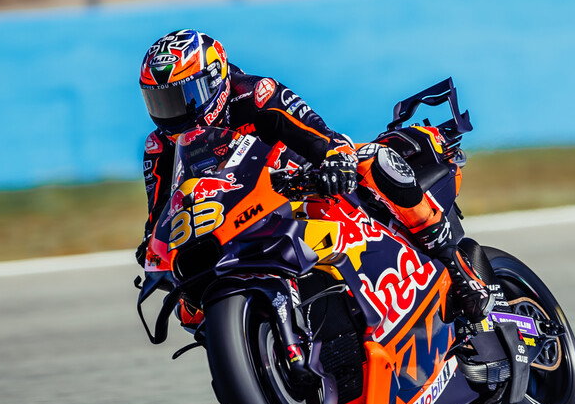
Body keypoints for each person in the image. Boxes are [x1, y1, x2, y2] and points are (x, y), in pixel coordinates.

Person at [136, 28, 493, 322]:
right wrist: (153, 249)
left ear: (214, 81)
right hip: (238, 219)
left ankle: (452, 262)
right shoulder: (160, 147)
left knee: (371, 160)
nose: (174, 114)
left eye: (184, 98)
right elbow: (163, 212)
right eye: (162, 102)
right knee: (189, 311)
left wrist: (335, 161)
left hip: (304, 183)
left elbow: (318, 134)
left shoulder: (256, 94)